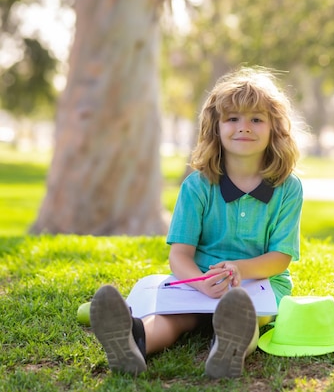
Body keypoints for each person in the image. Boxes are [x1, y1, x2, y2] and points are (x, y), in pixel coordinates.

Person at [89, 66, 304, 378]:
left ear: (275, 129)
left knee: (247, 317)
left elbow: (280, 258)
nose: (244, 127)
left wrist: (240, 270)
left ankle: (228, 351)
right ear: (215, 127)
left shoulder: (288, 188)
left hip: (257, 284)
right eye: (233, 118)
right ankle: (132, 343)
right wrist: (200, 282)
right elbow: (180, 255)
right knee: (171, 318)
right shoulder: (197, 186)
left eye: (256, 119)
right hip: (197, 283)